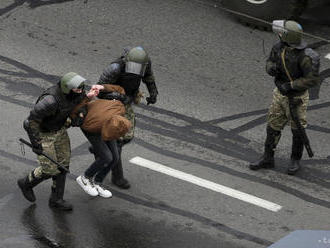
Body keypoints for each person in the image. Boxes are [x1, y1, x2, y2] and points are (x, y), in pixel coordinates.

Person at [17, 72, 101, 211]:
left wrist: (86, 101)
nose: (80, 91)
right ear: (67, 88)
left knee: (63, 166)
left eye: (81, 89)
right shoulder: (50, 101)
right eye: (77, 89)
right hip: (43, 134)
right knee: (49, 169)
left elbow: (79, 102)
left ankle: (56, 199)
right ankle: (26, 183)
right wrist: (36, 143)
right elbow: (31, 122)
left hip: (59, 130)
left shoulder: (75, 93)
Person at [249, 20, 320, 175]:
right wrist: (271, 69)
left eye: (282, 33)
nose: (279, 34)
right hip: (279, 94)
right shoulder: (278, 48)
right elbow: (269, 62)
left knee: (298, 130)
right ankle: (268, 157)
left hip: (297, 98)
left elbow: (312, 79)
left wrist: (291, 85)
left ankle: (295, 159)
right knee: (273, 125)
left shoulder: (308, 56)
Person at [96, 46, 159, 189]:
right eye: (133, 66)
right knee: (117, 140)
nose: (136, 70)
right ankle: (117, 177)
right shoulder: (115, 68)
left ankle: (101, 147)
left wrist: (153, 93)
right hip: (112, 103)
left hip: (127, 101)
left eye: (139, 67)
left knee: (127, 135)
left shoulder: (146, 64)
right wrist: (117, 96)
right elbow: (100, 89)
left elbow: (149, 78)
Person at [72, 85, 131, 197]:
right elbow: (75, 110)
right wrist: (88, 97)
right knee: (106, 157)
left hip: (106, 122)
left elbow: (120, 89)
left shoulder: (121, 109)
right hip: (91, 127)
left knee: (115, 157)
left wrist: (102, 87)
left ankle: (97, 182)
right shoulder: (92, 125)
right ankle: (85, 178)